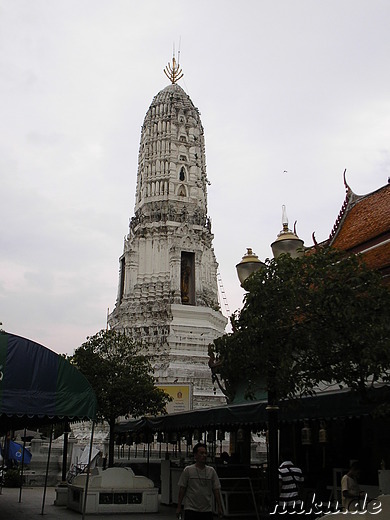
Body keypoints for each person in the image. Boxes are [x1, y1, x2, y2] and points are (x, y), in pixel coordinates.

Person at [176, 442, 223, 519]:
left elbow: (216, 490)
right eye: (201, 453)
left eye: (205, 453)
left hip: (206, 510)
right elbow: (182, 489)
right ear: (195, 455)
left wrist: (219, 507)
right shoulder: (188, 470)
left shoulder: (211, 471)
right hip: (191, 509)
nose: (204, 455)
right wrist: (179, 507)